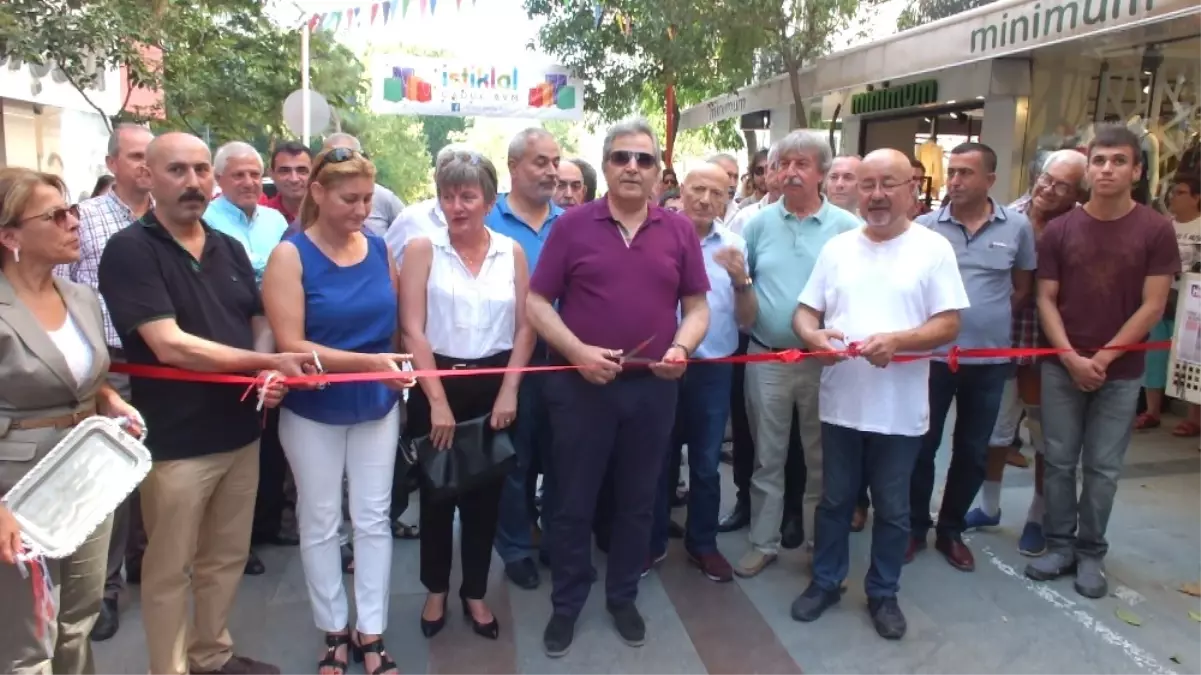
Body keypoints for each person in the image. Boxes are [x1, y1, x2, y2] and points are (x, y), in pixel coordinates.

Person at [98, 132, 313, 675]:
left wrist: (265, 363)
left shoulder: (228, 247)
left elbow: (257, 320)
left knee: (226, 559)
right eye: (177, 170)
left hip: (240, 431)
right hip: (177, 442)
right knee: (170, 570)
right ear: (147, 175)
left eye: (200, 170)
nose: (193, 182)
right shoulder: (131, 250)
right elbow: (169, 344)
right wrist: (260, 365)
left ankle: (211, 656)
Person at [527, 118, 709, 657]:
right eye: (622, 157)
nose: (633, 167)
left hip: (653, 389)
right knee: (572, 501)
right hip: (582, 388)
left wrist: (682, 348)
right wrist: (577, 352)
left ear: (658, 172)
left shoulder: (678, 230)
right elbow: (537, 303)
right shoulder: (572, 226)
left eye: (644, 160)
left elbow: (697, 308)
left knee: (639, 501)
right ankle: (567, 604)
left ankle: (622, 595)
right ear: (605, 165)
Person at [791, 148, 968, 640]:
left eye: (888, 184)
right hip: (841, 403)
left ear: (912, 187)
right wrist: (812, 336)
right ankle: (826, 583)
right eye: (867, 185)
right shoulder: (838, 248)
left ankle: (883, 593)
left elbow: (950, 322)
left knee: (893, 508)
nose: (876, 195)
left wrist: (900, 341)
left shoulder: (933, 249)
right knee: (834, 502)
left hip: (899, 412)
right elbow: (806, 312)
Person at [262, 147, 412, 675]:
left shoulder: (377, 249)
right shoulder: (291, 255)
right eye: (351, 198)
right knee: (320, 519)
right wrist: (373, 362)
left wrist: (392, 371)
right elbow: (291, 345)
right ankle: (334, 631)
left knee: (373, 519)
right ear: (318, 194)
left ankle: (371, 631)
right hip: (313, 410)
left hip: (376, 405)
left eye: (369, 198)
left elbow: (392, 323)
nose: (362, 209)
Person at [1025, 124, 1178, 598]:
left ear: (1137, 169)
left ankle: (1092, 551)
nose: (1107, 169)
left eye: (1118, 161)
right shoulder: (1061, 230)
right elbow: (1044, 299)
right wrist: (1070, 357)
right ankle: (1059, 545)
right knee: (1058, 460)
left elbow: (1152, 305)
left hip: (1121, 372)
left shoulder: (1156, 229)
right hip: (1061, 366)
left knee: (1104, 469)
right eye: (1099, 161)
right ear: (1088, 169)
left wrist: (1105, 359)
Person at [0, 167, 142, 675]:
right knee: (27, 638)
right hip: (16, 486)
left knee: (77, 618)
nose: (73, 222)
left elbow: (70, 375)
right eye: (56, 215)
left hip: (84, 471)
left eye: (73, 210)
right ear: (10, 236)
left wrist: (106, 397)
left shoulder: (79, 294)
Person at [399, 151, 535, 642]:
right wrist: (435, 400)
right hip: (437, 381)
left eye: (467, 195)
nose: (456, 205)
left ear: (489, 200)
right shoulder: (423, 250)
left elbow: (525, 330)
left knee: (485, 498)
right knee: (436, 495)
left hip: (496, 386)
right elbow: (412, 330)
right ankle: (435, 589)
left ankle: (474, 592)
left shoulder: (511, 251)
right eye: (447, 195)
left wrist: (509, 390)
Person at [907, 142, 1035, 573]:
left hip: (989, 362)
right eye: (952, 172)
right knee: (921, 447)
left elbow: (1021, 288)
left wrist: (984, 321)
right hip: (933, 359)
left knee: (974, 449)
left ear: (990, 181)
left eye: (965, 173)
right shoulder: (923, 227)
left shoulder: (1017, 227)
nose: (955, 181)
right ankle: (912, 528)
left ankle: (951, 530)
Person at [736, 131, 860, 579]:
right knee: (767, 457)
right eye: (782, 163)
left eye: (801, 164)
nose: (790, 171)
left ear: (822, 173)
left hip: (822, 364)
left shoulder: (847, 228)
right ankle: (763, 542)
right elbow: (742, 293)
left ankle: (816, 543)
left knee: (819, 459)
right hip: (765, 358)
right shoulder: (756, 224)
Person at [56, 123, 155, 642]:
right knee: (111, 480)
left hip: (165, 364)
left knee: (158, 471)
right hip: (111, 367)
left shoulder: (170, 220)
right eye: (136, 156)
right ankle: (106, 588)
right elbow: (60, 291)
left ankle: (146, 560)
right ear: (113, 162)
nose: (145, 165)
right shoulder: (85, 220)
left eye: (150, 156)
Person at [966, 149, 1087, 557]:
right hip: (1001, 346)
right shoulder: (1007, 216)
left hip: (1051, 353)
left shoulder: (1079, 227)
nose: (1048, 190)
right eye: (1047, 178)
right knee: (995, 434)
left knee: (1047, 440)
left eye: (1062, 186)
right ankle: (989, 506)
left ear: (1076, 193)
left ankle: (1037, 518)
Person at [648, 164, 755, 582]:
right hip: (661, 367)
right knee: (658, 460)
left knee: (707, 465)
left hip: (712, 370)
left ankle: (703, 544)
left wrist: (741, 280)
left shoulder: (734, 245)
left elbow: (748, 320)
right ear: (678, 190)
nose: (706, 199)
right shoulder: (655, 236)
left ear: (729, 198)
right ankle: (652, 540)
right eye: (698, 189)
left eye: (718, 192)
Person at [487, 128, 563, 591]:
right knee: (513, 462)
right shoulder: (487, 219)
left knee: (562, 459)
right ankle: (515, 547)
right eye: (540, 162)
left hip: (563, 362)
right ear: (513, 166)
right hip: (507, 363)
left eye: (556, 161)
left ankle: (556, 536)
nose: (552, 171)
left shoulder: (573, 223)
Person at [1138, 175, 1201, 433]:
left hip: (1193, 302)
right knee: (1154, 354)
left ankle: (1194, 416)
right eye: (1173, 192)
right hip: (1162, 297)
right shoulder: (1164, 227)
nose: (1173, 197)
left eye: (1181, 192)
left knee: (1191, 357)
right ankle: (1152, 410)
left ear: (1197, 198)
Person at [322, 134, 404, 237]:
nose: (360, 211)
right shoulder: (312, 199)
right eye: (334, 157)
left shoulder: (384, 198)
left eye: (367, 199)